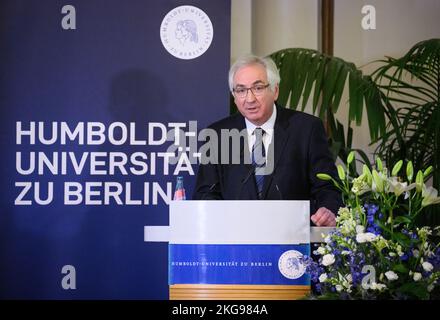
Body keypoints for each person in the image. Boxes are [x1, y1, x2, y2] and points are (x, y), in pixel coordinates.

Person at [193, 54, 342, 227]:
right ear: (234, 96)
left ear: (275, 90)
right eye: (241, 90)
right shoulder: (218, 134)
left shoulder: (306, 129)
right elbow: (205, 194)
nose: (249, 99)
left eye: (258, 88)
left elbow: (327, 187)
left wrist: (328, 210)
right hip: (236, 241)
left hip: (293, 240)